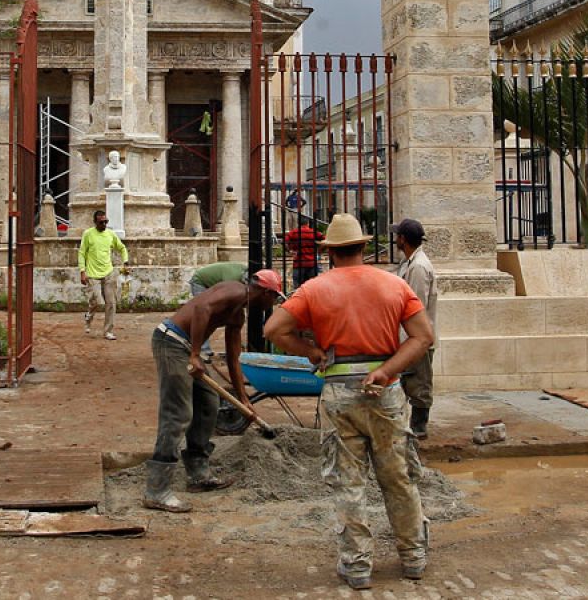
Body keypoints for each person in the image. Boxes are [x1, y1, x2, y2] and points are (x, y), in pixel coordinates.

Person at [263, 214, 434, 591]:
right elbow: (423, 337)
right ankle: (414, 558)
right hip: (384, 392)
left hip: (339, 391)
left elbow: (273, 330)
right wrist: (387, 370)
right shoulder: (393, 284)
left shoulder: (313, 289)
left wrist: (310, 350)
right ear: (363, 247)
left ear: (330, 253)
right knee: (399, 478)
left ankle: (357, 567)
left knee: (349, 483)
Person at [143, 269, 284, 513]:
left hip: (186, 348)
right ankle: (157, 490)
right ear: (264, 292)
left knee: (209, 402)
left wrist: (243, 397)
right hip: (171, 341)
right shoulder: (235, 289)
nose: (272, 304)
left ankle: (198, 472)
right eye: (274, 298)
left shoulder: (238, 315)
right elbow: (201, 309)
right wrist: (196, 354)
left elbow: (233, 357)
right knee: (178, 412)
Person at [394, 219, 439, 441]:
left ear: (402, 239)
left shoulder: (419, 267)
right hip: (409, 337)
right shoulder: (409, 263)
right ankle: (410, 427)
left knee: (419, 383)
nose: (395, 239)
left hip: (417, 337)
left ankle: (419, 429)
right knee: (407, 381)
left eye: (397, 236)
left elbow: (415, 307)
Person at [78, 209, 128, 340]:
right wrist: (82, 272)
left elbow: (122, 247)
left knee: (111, 302)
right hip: (92, 272)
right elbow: (82, 253)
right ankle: (89, 316)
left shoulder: (110, 234)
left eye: (106, 222)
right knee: (95, 301)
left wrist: (126, 261)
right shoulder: (88, 234)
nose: (104, 224)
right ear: (95, 222)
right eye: (101, 222)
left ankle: (108, 331)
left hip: (108, 272)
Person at [282, 219, 322, 288]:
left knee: (297, 289)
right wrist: (320, 250)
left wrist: (289, 251)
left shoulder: (294, 232)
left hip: (298, 264)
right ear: (308, 223)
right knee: (312, 288)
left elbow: (284, 242)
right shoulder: (313, 232)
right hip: (311, 264)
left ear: (298, 223)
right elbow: (325, 239)